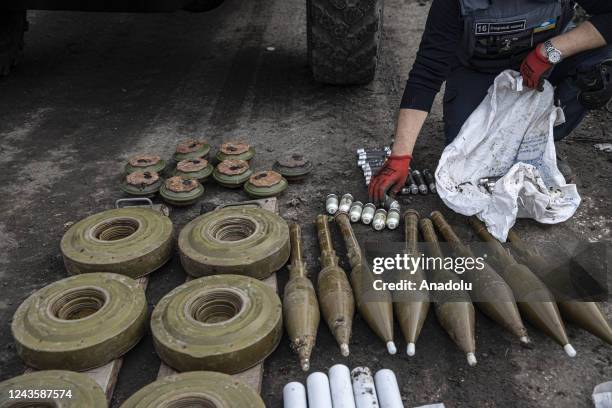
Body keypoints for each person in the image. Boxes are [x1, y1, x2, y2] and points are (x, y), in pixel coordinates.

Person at [368, 0, 612, 203]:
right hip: (480, 72)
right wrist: (400, 156)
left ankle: (541, 145)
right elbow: (427, 71)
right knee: (472, 159)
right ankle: (513, 143)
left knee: (599, 70)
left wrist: (551, 50)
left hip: (546, 66)